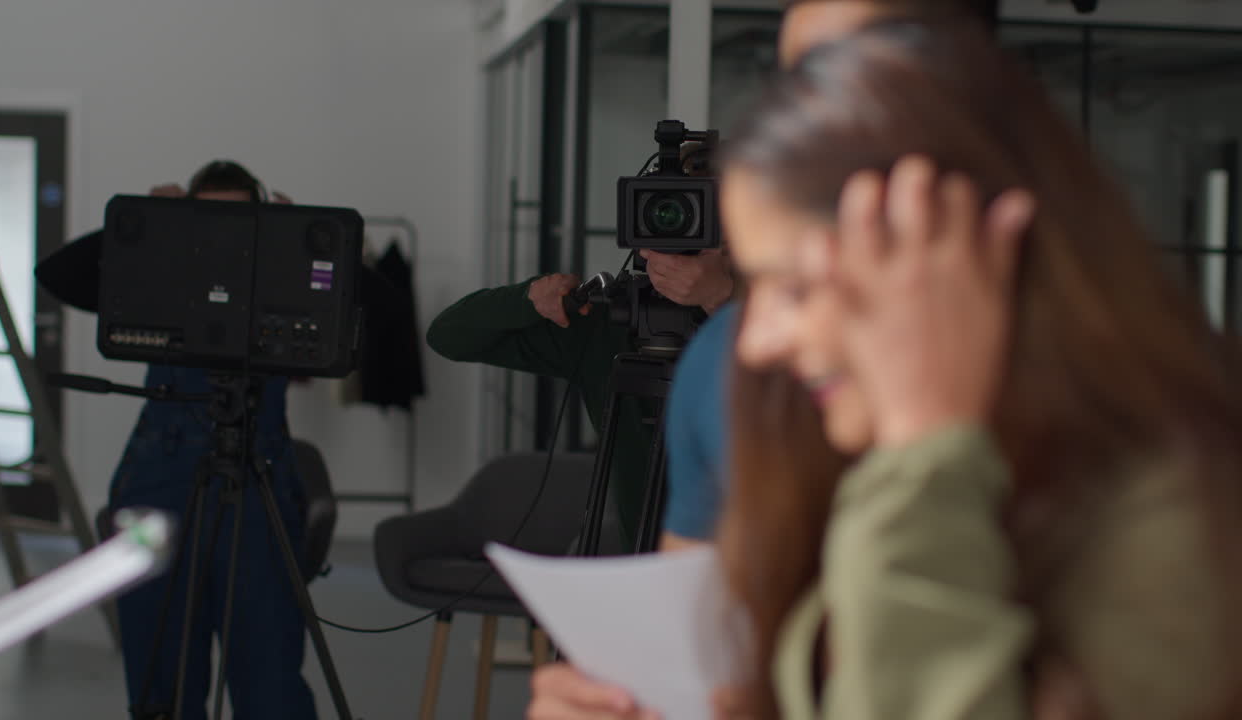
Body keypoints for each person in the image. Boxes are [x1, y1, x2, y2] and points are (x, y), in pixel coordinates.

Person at [719, 19, 1242, 720]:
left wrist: (924, 449)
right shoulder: (869, 457)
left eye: (795, 291)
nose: (756, 344)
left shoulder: (1180, 525)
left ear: (952, 259)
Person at [529, 2, 999, 716]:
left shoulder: (1144, 460)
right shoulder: (721, 361)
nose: (762, 337)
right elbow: (705, 654)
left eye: (802, 284)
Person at [426, 150, 734, 545]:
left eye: (708, 215)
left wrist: (723, 301)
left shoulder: (780, 319)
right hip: (646, 565)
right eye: (670, 209)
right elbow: (449, 335)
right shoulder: (608, 324)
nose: (687, 228)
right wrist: (528, 299)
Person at [104, 161, 318, 720]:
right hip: (159, 487)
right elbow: (63, 274)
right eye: (209, 219)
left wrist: (292, 243)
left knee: (269, 678)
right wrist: (151, 223)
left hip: (257, 481)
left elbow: (366, 302)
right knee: (159, 678)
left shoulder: (278, 278)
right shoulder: (159, 273)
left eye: (238, 220)